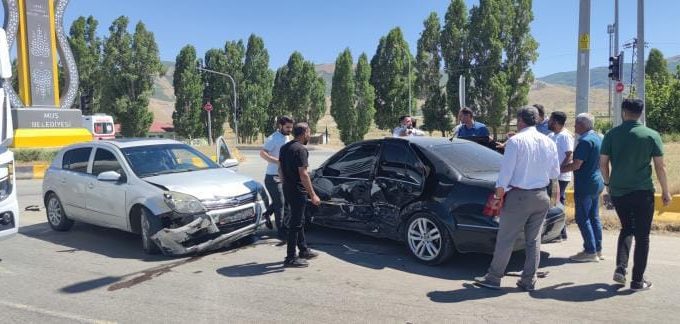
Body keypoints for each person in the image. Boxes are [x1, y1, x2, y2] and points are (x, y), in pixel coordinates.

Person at [474, 106, 560, 291]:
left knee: (506, 238)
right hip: (541, 195)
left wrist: (498, 194)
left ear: (520, 120)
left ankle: (494, 277)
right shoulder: (548, 142)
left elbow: (506, 173)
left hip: (519, 196)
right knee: (533, 240)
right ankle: (528, 280)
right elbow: (555, 172)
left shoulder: (516, 142)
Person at [600, 99, 672, 291]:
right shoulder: (652, 135)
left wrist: (608, 184)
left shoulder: (611, 134)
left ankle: (621, 268)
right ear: (641, 112)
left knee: (626, 228)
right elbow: (660, 166)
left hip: (619, 191)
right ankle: (637, 280)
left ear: (624, 112)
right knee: (643, 236)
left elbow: (603, 163)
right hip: (643, 192)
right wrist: (665, 191)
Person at [561, 113, 604, 262]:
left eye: (577, 123)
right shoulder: (599, 137)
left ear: (583, 125)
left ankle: (590, 251)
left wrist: (557, 170)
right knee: (594, 217)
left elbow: (576, 164)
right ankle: (597, 249)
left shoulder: (585, 141)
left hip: (585, 183)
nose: (574, 126)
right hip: (597, 182)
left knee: (582, 218)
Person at [279, 122, 321, 268]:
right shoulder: (301, 150)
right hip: (297, 191)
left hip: (288, 188)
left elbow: (280, 168)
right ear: (303, 133)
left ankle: (303, 249)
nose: (309, 135)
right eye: (309, 132)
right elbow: (303, 174)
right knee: (295, 224)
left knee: (299, 220)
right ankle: (290, 257)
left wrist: (285, 183)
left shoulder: (285, 147)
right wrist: (313, 194)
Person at [259, 116, 293, 240]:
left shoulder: (287, 137)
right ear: (280, 126)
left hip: (283, 175)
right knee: (281, 204)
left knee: (282, 200)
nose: (289, 130)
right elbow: (262, 153)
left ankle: (267, 214)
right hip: (272, 177)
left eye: (291, 127)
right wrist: (279, 162)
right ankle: (281, 232)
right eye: (287, 127)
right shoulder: (273, 138)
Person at [548, 111, 574, 241]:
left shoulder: (564, 136)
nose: (548, 122)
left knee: (557, 202)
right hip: (553, 176)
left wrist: (560, 169)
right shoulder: (552, 135)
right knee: (555, 203)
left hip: (561, 177)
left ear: (556, 122)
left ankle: (559, 233)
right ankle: (559, 232)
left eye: (550, 120)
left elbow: (569, 154)